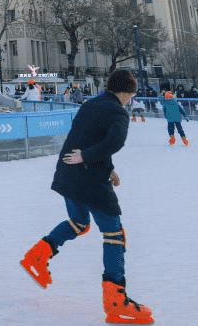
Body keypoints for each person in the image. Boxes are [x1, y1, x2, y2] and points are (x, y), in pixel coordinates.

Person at [19, 69, 154, 324]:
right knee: (114, 234)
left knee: (79, 222)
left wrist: (108, 167)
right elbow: (114, 141)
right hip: (87, 176)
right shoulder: (117, 112)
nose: (130, 99)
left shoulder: (91, 104)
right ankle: (116, 301)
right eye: (131, 94)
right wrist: (88, 157)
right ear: (126, 92)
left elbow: (87, 137)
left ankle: (37, 256)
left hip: (68, 172)